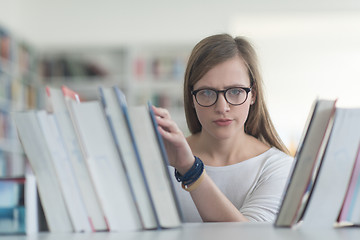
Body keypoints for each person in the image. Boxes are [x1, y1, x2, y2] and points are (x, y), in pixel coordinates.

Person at [152, 33, 293, 223]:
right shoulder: (162, 160)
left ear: (253, 95)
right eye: (207, 93)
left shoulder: (278, 167)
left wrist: (190, 170)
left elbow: (249, 237)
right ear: (192, 98)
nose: (222, 107)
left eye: (235, 92)